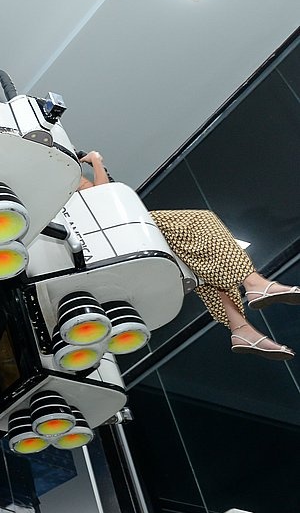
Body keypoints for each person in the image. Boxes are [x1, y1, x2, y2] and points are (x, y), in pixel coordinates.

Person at [78, 150, 297, 360]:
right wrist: (96, 160)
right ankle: (255, 283)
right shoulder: (67, 175)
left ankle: (240, 328)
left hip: (125, 233)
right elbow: (102, 198)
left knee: (205, 264)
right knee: (203, 221)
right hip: (125, 229)